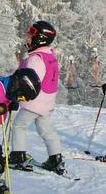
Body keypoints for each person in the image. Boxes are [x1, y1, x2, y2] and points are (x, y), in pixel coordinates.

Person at [8, 21, 65, 174]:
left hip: (34, 102)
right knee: (46, 130)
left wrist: (16, 94)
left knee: (19, 126)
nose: (27, 39)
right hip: (46, 102)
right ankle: (56, 159)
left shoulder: (36, 59)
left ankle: (18, 156)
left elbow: (29, 82)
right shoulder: (49, 55)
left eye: (30, 36)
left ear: (40, 38)